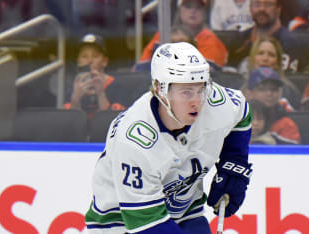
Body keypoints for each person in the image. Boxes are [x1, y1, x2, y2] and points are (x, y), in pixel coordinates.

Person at [85, 42, 253, 233]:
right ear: (160, 89)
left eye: (200, 89)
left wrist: (234, 162)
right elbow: (145, 222)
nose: (196, 101)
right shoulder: (134, 141)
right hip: (120, 222)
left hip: (184, 210)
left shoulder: (214, 101)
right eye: (186, 92)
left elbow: (241, 113)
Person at [136, 0, 228, 71]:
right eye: (188, 6)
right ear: (179, 10)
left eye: (198, 7)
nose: (193, 11)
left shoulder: (210, 39)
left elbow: (205, 75)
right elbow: (140, 70)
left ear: (205, 12)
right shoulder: (163, 34)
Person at [227, 0, 309, 73]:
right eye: (257, 4)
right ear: (250, 8)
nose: (262, 9)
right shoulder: (238, 41)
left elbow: (288, 82)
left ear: (278, 9)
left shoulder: (291, 43)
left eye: (268, 4)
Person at [63, 33, 125, 119]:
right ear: (78, 61)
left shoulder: (116, 85)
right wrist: (75, 99)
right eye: (84, 56)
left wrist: (100, 93)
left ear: (105, 61)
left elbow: (113, 122)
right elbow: (67, 123)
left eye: (95, 56)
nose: (89, 61)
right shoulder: (71, 86)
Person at [240, 35, 301, 110]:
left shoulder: (289, 91)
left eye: (271, 55)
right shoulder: (237, 88)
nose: (265, 59)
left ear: (278, 62)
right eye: (260, 53)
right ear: (252, 59)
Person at [244, 66, 300, 144]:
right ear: (249, 93)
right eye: (262, 89)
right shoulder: (235, 120)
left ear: (280, 93)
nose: (269, 94)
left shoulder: (286, 125)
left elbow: (289, 155)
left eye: (274, 89)